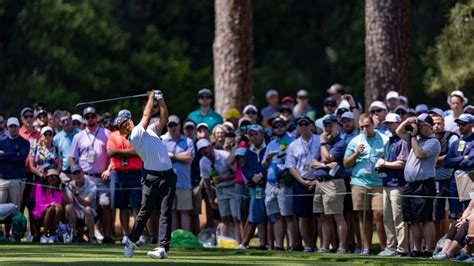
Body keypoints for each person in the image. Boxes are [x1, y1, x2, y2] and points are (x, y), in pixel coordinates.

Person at [122, 90, 176, 259]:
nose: (127, 124)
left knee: (165, 212)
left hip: (167, 176)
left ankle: (163, 248)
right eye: (123, 125)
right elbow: (146, 114)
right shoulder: (134, 136)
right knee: (145, 212)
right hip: (151, 178)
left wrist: (160, 100)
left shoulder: (151, 130)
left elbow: (164, 118)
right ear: (123, 131)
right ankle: (131, 242)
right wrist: (151, 96)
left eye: (126, 121)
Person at [396, 113, 441, 257]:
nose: (418, 127)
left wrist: (414, 136)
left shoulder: (433, 142)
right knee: (412, 219)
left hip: (424, 184)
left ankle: (428, 249)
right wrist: (407, 121)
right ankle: (416, 249)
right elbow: (398, 131)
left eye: (421, 125)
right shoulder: (417, 139)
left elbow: (420, 154)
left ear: (429, 126)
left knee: (426, 219)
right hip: (410, 184)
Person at [343, 113, 388, 255]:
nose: (364, 129)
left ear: (373, 125)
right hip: (359, 183)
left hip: (379, 182)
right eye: (362, 126)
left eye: (367, 126)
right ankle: (366, 248)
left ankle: (384, 248)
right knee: (363, 216)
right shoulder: (355, 141)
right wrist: (356, 154)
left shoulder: (385, 139)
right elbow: (346, 164)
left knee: (379, 215)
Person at [68, 106, 112, 243]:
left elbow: (111, 155)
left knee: (105, 204)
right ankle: (83, 235)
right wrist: (76, 173)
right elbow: (71, 157)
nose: (90, 119)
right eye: (87, 117)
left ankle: (108, 235)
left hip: (102, 177)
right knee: (84, 207)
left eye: (93, 116)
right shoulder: (78, 136)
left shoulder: (107, 133)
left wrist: (108, 169)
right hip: (85, 177)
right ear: (84, 120)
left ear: (97, 117)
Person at [104, 112, 143, 245]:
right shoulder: (113, 135)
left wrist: (119, 153)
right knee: (122, 206)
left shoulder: (137, 134)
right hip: (118, 173)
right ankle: (126, 235)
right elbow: (110, 152)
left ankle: (137, 234)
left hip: (135, 172)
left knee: (136, 206)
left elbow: (139, 151)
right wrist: (131, 153)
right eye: (121, 121)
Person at [312, 115, 348, 253]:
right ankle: (325, 247)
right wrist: (324, 165)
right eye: (325, 126)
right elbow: (313, 162)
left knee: (338, 216)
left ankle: (342, 247)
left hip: (334, 183)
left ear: (337, 126)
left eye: (330, 126)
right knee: (323, 217)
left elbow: (328, 157)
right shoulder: (324, 143)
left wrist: (322, 143)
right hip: (320, 183)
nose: (327, 129)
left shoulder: (340, 143)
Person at [374, 113, 409, 256]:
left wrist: (385, 164)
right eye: (387, 123)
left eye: (392, 123)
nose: (389, 125)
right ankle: (391, 246)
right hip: (387, 183)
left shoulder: (403, 140)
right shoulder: (389, 141)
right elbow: (384, 159)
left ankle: (402, 248)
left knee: (398, 217)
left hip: (398, 184)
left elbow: (402, 163)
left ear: (399, 123)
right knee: (387, 217)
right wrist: (380, 163)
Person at [286, 115, 320, 252]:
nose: (304, 127)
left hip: (318, 181)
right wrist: (302, 181)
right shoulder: (293, 145)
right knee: (303, 216)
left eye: (306, 124)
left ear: (312, 126)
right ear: (298, 128)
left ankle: (317, 244)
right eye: (301, 125)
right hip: (301, 182)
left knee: (318, 216)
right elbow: (290, 166)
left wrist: (316, 181)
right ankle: (307, 245)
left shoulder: (319, 140)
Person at [261, 118, 296, 251]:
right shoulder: (271, 144)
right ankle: (279, 246)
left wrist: (286, 154)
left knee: (288, 215)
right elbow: (263, 165)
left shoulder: (292, 141)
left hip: (285, 183)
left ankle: (292, 245)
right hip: (271, 184)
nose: (279, 129)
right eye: (276, 127)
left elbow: (295, 161)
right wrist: (268, 157)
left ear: (285, 127)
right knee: (276, 215)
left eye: (281, 126)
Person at [197, 139, 239, 243]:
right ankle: (225, 242)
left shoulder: (225, 156)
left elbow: (238, 174)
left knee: (235, 217)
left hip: (232, 188)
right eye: (201, 151)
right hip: (220, 191)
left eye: (205, 148)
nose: (204, 152)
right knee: (223, 217)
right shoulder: (203, 162)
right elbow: (207, 183)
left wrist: (224, 178)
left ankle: (239, 242)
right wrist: (211, 199)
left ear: (211, 146)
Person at [428, 108, 459, 239]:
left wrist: (436, 160)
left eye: (438, 123)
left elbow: (452, 158)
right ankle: (438, 242)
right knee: (436, 215)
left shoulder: (452, 138)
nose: (436, 126)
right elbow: (425, 159)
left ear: (444, 124)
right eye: (433, 123)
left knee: (455, 214)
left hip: (452, 181)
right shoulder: (428, 139)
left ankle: (451, 241)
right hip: (435, 182)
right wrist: (441, 159)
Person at [162, 115, 195, 232]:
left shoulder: (188, 141)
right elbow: (161, 159)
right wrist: (181, 156)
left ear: (180, 126)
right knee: (171, 211)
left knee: (185, 211)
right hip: (167, 183)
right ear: (167, 127)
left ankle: (185, 237)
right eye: (170, 125)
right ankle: (174, 238)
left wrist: (173, 156)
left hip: (184, 183)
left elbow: (189, 158)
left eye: (175, 124)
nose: (173, 127)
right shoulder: (162, 141)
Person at [0, 117, 30, 240]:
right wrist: (13, 154)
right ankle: (2, 235)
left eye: (15, 126)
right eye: (11, 126)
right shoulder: (2, 142)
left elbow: (21, 159)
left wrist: (4, 155)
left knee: (15, 209)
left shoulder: (24, 143)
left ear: (19, 127)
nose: (13, 128)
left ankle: (15, 235)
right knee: (0, 208)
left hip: (17, 179)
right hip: (2, 179)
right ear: (7, 128)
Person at [239, 125, 268, 250]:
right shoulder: (248, 151)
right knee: (255, 214)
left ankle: (258, 244)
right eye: (251, 135)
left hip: (268, 185)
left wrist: (261, 175)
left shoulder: (268, 148)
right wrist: (251, 177)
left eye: (256, 134)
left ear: (262, 134)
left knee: (260, 215)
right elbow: (244, 168)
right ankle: (258, 244)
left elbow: (272, 165)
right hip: (255, 187)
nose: (253, 137)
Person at [444, 113, 474, 217]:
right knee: (455, 213)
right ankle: (455, 233)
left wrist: (455, 161)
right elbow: (446, 162)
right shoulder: (456, 143)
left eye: (463, 124)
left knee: (467, 212)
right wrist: (462, 158)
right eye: (459, 124)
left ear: (471, 124)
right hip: (454, 180)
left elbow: (470, 162)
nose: (460, 126)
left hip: (469, 179)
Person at [63, 165, 98, 243]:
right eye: (75, 173)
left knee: (87, 209)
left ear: (83, 173)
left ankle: (92, 237)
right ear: (72, 176)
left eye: (79, 172)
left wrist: (76, 193)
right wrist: (63, 191)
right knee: (68, 207)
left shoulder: (91, 185)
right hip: (77, 211)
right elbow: (70, 202)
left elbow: (87, 203)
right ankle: (75, 235)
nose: (77, 175)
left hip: (91, 211)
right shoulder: (70, 185)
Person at [33, 169, 63, 244]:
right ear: (46, 178)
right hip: (40, 211)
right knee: (51, 209)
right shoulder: (40, 186)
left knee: (58, 209)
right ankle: (45, 235)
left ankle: (52, 235)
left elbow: (59, 204)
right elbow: (39, 203)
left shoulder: (58, 190)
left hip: (54, 211)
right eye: (51, 176)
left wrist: (53, 204)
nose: (54, 178)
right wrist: (51, 204)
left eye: (56, 176)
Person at [54, 111, 80, 179]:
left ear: (71, 120)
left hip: (80, 172)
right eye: (63, 121)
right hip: (65, 173)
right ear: (60, 123)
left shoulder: (81, 134)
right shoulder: (56, 138)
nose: (66, 123)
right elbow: (56, 157)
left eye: (68, 120)